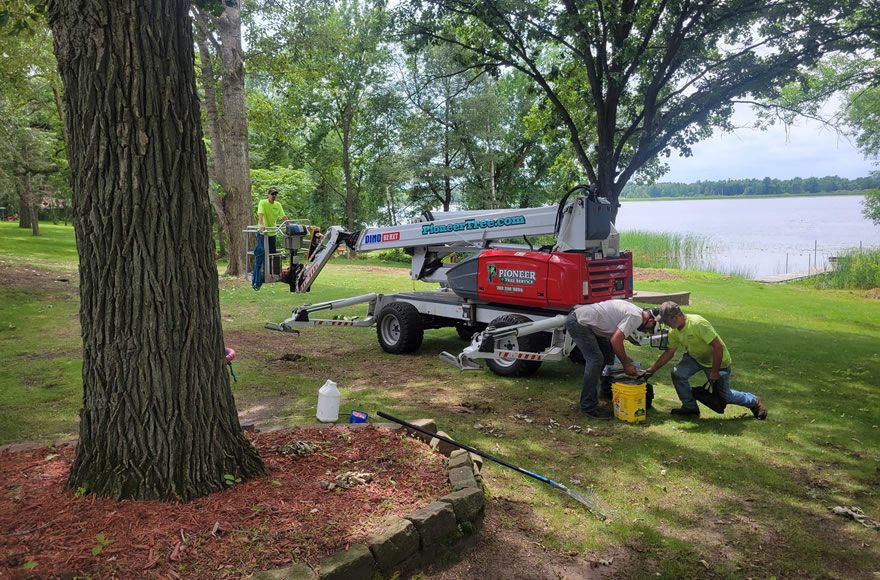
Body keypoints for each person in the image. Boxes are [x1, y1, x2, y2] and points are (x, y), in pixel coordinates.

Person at [645, 301, 767, 419]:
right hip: (695, 358)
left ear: (674, 318)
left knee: (726, 396)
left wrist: (714, 371)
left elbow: (718, 347)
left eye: (665, 320)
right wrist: (652, 370)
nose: (664, 324)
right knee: (678, 373)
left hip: (717, 361)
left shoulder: (698, 323)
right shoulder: (674, 331)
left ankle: (753, 401)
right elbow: (669, 352)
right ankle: (690, 408)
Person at [566, 300, 659, 420]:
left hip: (588, 324)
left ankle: (606, 391)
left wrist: (625, 358)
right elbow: (616, 340)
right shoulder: (636, 317)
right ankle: (587, 406)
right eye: (650, 330)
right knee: (596, 359)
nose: (646, 332)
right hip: (579, 323)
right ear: (651, 321)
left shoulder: (636, 312)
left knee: (608, 354)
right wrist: (626, 364)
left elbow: (614, 337)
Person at [256, 188, 288, 256]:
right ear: (268, 195)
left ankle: (271, 266)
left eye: (275, 194)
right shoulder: (263, 202)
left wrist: (289, 226)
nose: (274, 196)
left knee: (272, 253)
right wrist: (261, 225)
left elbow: (283, 216)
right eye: (272, 194)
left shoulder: (278, 204)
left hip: (273, 232)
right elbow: (260, 214)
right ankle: (263, 267)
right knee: (262, 253)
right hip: (263, 233)